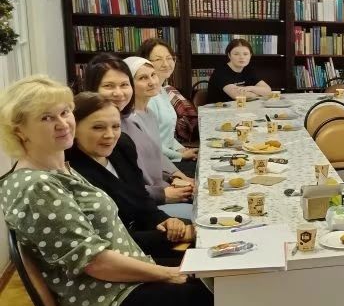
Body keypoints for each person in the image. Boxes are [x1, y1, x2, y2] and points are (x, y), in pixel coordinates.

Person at [0, 75, 213, 306]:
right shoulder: (36, 186)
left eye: (64, 112)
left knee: (214, 274)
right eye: (46, 118)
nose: (62, 123)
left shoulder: (57, 167)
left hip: (120, 284)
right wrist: (167, 274)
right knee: (220, 298)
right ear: (19, 130)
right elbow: (95, 262)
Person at [66, 92, 194, 265]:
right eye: (98, 128)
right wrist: (172, 235)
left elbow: (142, 200)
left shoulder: (122, 146)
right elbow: (106, 242)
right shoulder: (72, 172)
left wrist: (166, 220)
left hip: (143, 230)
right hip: (118, 254)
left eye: (116, 126)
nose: (110, 135)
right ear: (73, 129)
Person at [81, 54, 194, 218]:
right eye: (108, 86)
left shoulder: (134, 117)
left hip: (152, 193)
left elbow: (152, 158)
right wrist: (162, 193)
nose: (118, 93)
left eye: (124, 85)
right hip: (133, 210)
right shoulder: (100, 132)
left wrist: (175, 177)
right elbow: (116, 189)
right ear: (92, 88)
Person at [137, 38, 199, 173]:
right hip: (158, 164)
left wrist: (181, 149)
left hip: (170, 156)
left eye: (169, 58)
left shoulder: (163, 90)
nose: (166, 64)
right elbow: (151, 143)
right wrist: (180, 155)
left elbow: (167, 135)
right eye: (158, 59)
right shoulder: (147, 97)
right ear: (145, 63)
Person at [205, 38, 271, 104]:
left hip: (239, 107)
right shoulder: (220, 72)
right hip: (218, 109)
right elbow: (238, 96)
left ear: (250, 55)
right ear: (229, 55)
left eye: (245, 54)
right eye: (236, 54)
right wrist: (259, 93)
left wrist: (250, 88)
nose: (241, 57)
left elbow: (268, 90)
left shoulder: (248, 69)